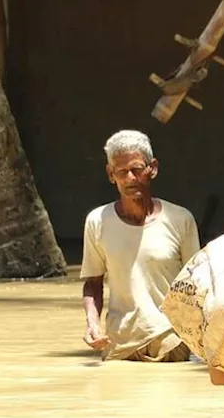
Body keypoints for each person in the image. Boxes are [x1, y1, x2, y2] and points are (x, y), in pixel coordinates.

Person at [80, 130, 200, 362]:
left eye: (137, 169)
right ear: (110, 174)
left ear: (152, 169)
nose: (130, 178)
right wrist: (92, 324)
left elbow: (198, 285)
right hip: (120, 343)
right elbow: (93, 283)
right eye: (121, 172)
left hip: (171, 341)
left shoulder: (180, 219)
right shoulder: (97, 221)